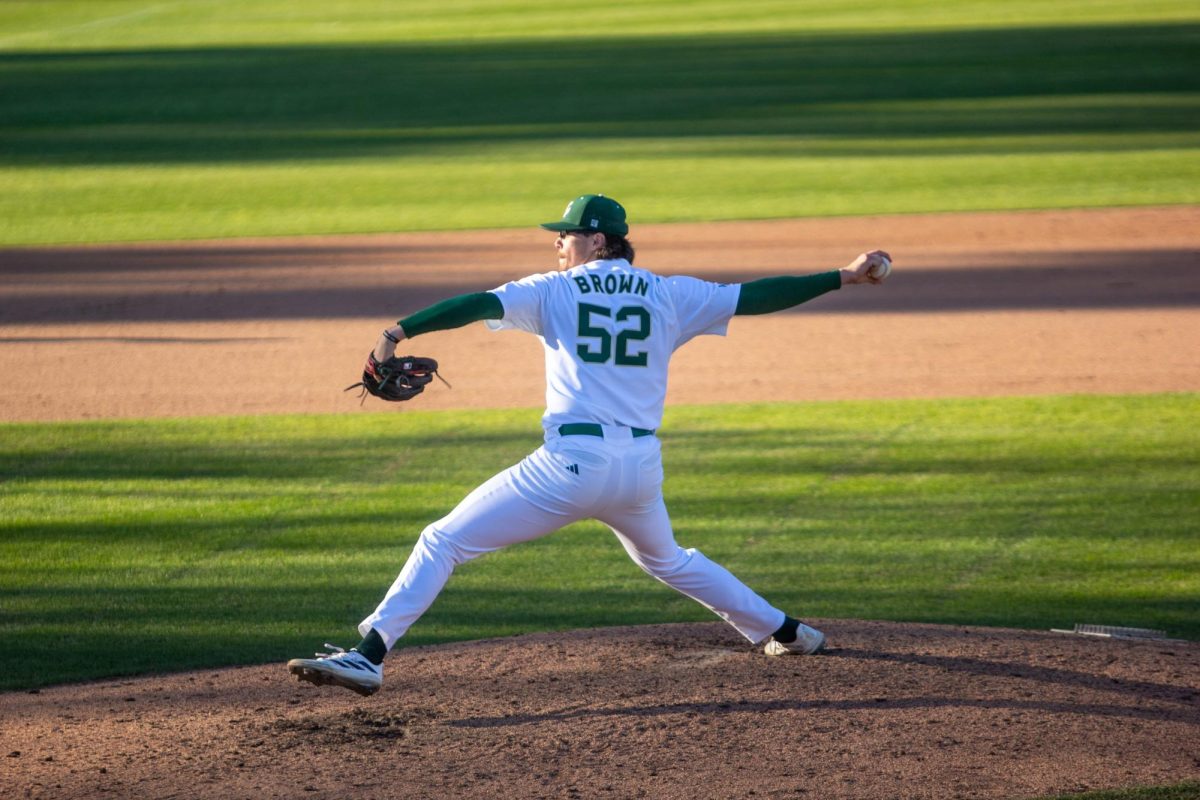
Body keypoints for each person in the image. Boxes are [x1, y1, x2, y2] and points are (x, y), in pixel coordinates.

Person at [288, 194, 891, 696]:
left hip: (570, 467)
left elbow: (476, 304)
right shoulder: (670, 293)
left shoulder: (555, 290)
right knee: (669, 561)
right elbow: (759, 294)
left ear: (599, 242)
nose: (559, 244)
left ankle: (368, 655)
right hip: (638, 470)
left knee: (442, 540)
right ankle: (788, 631)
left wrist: (396, 332)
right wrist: (844, 274)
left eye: (569, 234)